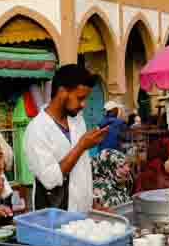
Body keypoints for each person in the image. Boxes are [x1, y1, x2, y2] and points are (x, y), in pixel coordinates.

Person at [24, 64, 109, 212]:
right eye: (80, 98)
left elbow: (82, 169)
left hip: (82, 212)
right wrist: (82, 146)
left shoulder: (77, 120)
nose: (83, 104)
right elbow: (50, 179)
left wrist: (92, 204)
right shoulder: (36, 129)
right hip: (54, 217)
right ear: (62, 92)